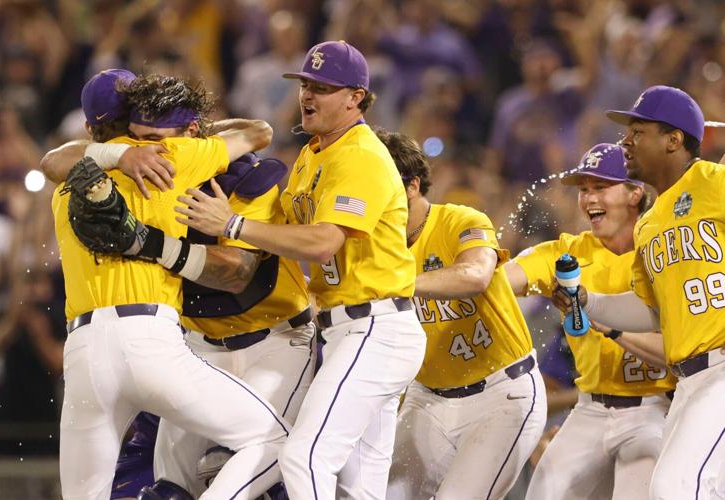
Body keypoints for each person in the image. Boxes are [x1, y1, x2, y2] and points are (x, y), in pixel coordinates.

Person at [175, 40, 427, 499]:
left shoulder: (360, 155)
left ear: (356, 97)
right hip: (346, 328)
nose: (308, 95)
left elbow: (323, 242)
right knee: (358, 487)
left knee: (303, 457)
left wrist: (231, 223)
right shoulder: (316, 152)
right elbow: (287, 232)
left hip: (377, 328)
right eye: (305, 84)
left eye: (324, 87)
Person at [46, 69, 290, 500]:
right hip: (149, 340)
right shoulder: (173, 154)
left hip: (82, 353)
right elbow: (258, 133)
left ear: (89, 127)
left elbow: (52, 160)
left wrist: (113, 153)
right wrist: (191, 134)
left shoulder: (66, 181)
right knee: (277, 440)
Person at [553, 85, 724, 500]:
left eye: (638, 131)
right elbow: (651, 310)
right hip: (689, 382)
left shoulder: (714, 181)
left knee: (675, 488)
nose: (625, 141)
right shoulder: (648, 224)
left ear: (673, 139)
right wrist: (589, 303)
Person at [376, 129, 547, 500]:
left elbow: (476, 275)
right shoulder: (372, 244)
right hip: (429, 399)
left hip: (502, 393)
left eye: (377, 183)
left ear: (411, 186)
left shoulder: (459, 219)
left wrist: (395, 281)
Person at [506, 142, 678, 499]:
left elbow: (678, 347)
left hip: (656, 409)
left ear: (635, 193)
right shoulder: (568, 253)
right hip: (590, 409)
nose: (588, 198)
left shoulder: (663, 251)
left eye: (600, 187)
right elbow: (504, 279)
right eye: (583, 189)